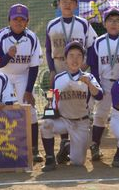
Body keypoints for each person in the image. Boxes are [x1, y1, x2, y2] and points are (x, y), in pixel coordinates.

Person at [45, 0, 98, 163]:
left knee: (75, 101)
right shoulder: (52, 25)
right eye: (63, 1)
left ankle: (79, 137)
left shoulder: (83, 24)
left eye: (71, 1)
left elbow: (92, 46)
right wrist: (52, 69)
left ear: (76, 5)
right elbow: (48, 49)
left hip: (78, 69)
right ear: (58, 4)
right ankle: (64, 141)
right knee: (56, 104)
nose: (67, 4)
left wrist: (87, 64)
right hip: (59, 69)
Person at [40, 41, 103, 171]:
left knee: (78, 162)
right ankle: (50, 159)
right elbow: (52, 98)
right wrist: (49, 111)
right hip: (63, 119)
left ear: (83, 59)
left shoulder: (89, 77)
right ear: (65, 59)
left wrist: (89, 84)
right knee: (46, 124)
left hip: (81, 122)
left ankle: (67, 146)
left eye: (79, 55)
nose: (75, 59)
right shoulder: (59, 78)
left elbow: (99, 96)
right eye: (71, 55)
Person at [0, 4, 43, 163]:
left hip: (24, 75)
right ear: (9, 20)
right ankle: (5, 147)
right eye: (15, 19)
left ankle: (34, 149)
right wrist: (8, 55)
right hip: (4, 76)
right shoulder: (1, 35)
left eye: (23, 19)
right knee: (3, 109)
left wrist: (29, 91)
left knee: (30, 110)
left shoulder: (32, 38)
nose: (19, 22)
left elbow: (34, 67)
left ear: (27, 22)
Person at [87, 8, 119, 161]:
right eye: (110, 20)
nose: (114, 23)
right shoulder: (98, 42)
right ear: (104, 24)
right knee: (100, 114)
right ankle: (95, 144)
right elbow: (94, 65)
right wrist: (97, 83)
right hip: (105, 82)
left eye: (117, 21)